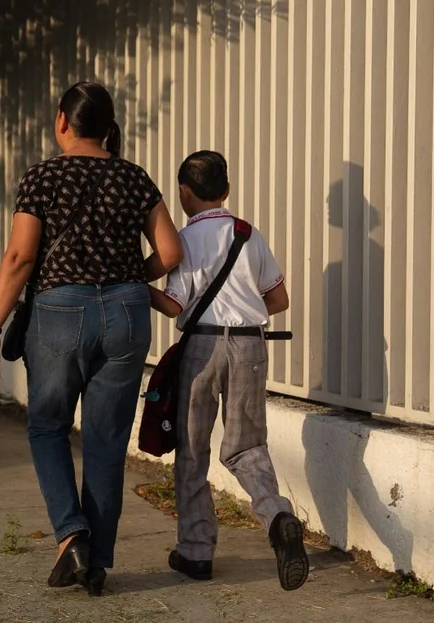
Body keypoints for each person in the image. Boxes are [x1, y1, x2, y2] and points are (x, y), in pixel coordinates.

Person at [0, 82, 183, 597]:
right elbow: (171, 252)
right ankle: (97, 561)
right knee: (107, 438)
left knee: (48, 426)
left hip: (60, 312)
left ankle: (72, 535)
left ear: (62, 122)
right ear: (108, 127)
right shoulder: (134, 177)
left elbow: (20, 257)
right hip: (128, 314)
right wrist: (128, 278)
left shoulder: (43, 176)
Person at [148, 150, 308, 591]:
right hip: (250, 345)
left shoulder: (184, 239)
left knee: (193, 449)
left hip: (201, 349)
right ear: (227, 190)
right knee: (246, 447)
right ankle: (277, 517)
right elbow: (278, 300)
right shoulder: (247, 233)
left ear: (184, 193)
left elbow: (173, 305)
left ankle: (196, 551)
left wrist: (137, 288)